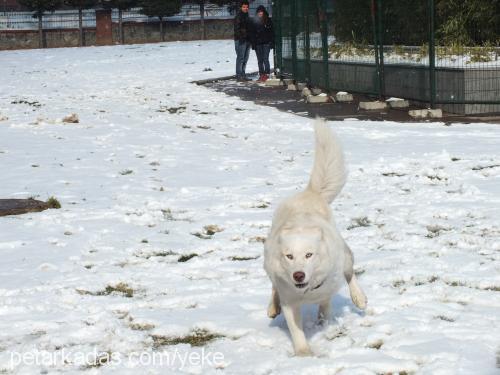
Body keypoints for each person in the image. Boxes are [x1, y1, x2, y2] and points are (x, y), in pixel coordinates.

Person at [252, 5, 274, 82]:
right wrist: (253, 44)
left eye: (261, 11)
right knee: (260, 60)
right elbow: (253, 33)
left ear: (264, 12)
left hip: (266, 43)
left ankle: (267, 74)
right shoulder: (254, 21)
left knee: (265, 59)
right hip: (258, 44)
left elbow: (271, 32)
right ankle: (261, 74)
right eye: (259, 12)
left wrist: (271, 42)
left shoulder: (268, 20)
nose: (260, 13)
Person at [234, 1, 252, 82]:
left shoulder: (247, 16)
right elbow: (237, 29)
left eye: (247, 7)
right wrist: (242, 36)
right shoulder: (238, 16)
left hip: (248, 40)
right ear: (241, 7)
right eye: (244, 7)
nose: (246, 8)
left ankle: (243, 74)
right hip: (240, 40)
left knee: (245, 58)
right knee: (240, 58)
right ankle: (239, 75)